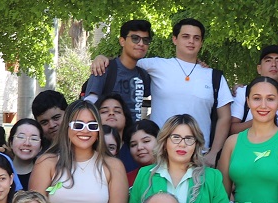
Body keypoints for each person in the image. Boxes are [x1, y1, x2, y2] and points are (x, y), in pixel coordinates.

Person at [90, 18, 234, 165]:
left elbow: (224, 117)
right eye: (185, 36)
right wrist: (101, 58)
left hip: (198, 155)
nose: (191, 41)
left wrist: (214, 153)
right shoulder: (155, 65)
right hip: (159, 155)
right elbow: (125, 61)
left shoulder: (213, 76)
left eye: (196, 38)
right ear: (174, 39)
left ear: (201, 42)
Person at [82, 19, 152, 124]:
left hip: (133, 133)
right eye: (135, 38)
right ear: (122, 41)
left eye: (146, 40)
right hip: (107, 132)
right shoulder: (104, 68)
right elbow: (89, 103)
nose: (141, 44)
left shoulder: (144, 75)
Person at [229, 46, 278, 138]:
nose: (273, 64)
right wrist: (260, 120)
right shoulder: (242, 92)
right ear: (259, 68)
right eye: (268, 60)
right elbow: (231, 129)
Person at [97, 94, 137, 169]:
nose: (111, 113)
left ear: (126, 119)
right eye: (104, 111)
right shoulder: (88, 149)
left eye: (117, 111)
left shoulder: (135, 150)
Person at [8, 119, 45, 188]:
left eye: (34, 139)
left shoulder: (45, 174)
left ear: (41, 147)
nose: (27, 143)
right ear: (11, 143)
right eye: (21, 137)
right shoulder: (0, 171)